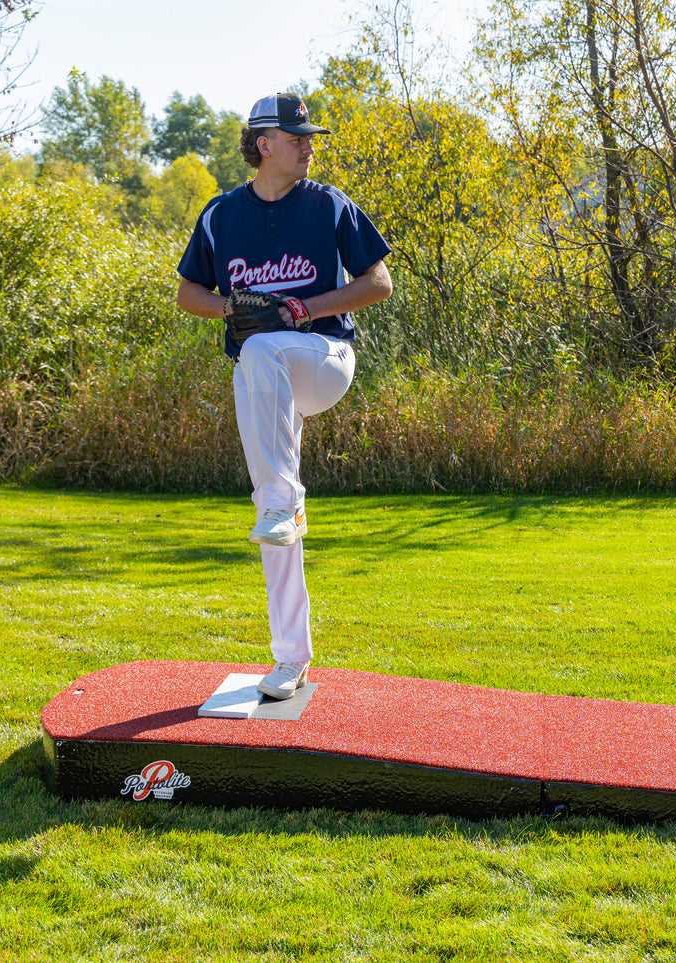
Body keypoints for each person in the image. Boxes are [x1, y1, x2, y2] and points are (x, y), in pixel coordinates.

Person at [175, 92, 393, 699]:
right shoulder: (221, 214)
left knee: (263, 346)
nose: (309, 144)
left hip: (324, 360)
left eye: (309, 136)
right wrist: (226, 307)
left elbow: (379, 282)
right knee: (273, 516)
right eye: (297, 136)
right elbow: (189, 293)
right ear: (262, 143)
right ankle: (290, 656)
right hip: (265, 380)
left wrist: (306, 308)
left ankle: (282, 498)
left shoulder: (328, 205)